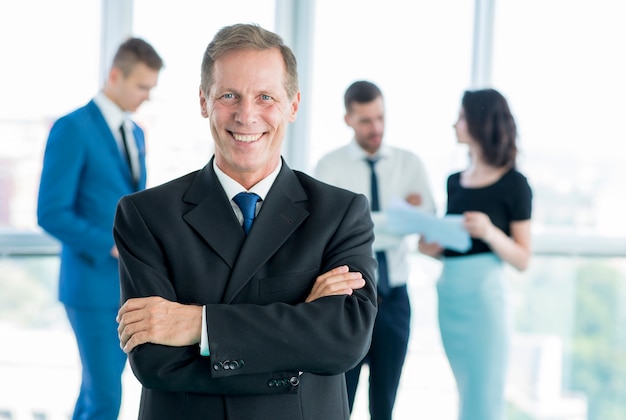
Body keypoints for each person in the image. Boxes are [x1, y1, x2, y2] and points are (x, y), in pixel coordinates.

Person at [114, 23, 378, 420]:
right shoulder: (146, 215)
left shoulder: (340, 213)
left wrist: (199, 324)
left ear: (293, 104)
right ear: (204, 101)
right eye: (229, 95)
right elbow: (155, 362)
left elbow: (344, 339)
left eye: (266, 97)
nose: (246, 115)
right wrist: (301, 335)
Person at [37, 37, 163, 419]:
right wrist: (108, 245)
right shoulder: (73, 128)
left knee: (95, 394)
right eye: (142, 87)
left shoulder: (136, 133)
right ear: (115, 75)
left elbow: (131, 205)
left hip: (126, 289)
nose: (147, 97)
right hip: (90, 287)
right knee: (106, 398)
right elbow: (51, 212)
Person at [314, 80, 436, 420]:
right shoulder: (329, 168)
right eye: (366, 120)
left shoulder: (409, 164)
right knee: (339, 402)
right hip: (346, 303)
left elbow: (426, 221)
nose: (376, 128)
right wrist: (398, 217)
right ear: (348, 120)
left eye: (380, 117)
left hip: (395, 300)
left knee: (385, 406)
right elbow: (327, 233)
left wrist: (362, 222)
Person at [419, 88, 532, 420]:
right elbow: (452, 248)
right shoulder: (454, 181)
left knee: (484, 397)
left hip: (483, 303)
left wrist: (490, 232)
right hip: (451, 296)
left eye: (462, 117)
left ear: (480, 122)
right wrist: (432, 248)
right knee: (465, 390)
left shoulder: (515, 184)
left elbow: (523, 259)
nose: (455, 124)